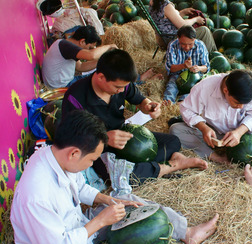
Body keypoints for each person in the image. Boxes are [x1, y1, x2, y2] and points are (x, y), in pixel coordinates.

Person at [10, 110, 251, 244]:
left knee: (127, 200)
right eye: (91, 159)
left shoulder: (53, 154)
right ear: (74, 153)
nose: (89, 165)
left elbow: (80, 187)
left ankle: (186, 232)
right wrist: (99, 222)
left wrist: (107, 199)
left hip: (78, 227)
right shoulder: (36, 196)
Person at [62, 48, 208, 185]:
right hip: (99, 147)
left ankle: (145, 168)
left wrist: (148, 106)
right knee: (120, 176)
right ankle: (171, 166)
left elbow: (139, 100)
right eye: (117, 87)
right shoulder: (75, 97)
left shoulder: (123, 84)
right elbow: (73, 137)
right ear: (100, 77)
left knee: (172, 142)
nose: (121, 91)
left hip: (125, 136)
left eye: (123, 87)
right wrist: (104, 137)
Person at [169, 69, 252, 165]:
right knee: (176, 130)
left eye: (245, 104)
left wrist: (239, 132)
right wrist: (203, 128)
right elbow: (186, 109)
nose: (241, 107)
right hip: (218, 136)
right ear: (226, 90)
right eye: (237, 103)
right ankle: (219, 158)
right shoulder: (205, 87)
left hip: (247, 133)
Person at [42, 25, 117, 89]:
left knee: (99, 75)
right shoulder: (65, 46)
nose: (89, 50)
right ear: (82, 42)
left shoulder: (66, 44)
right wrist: (109, 46)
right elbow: (91, 55)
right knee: (102, 80)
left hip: (59, 83)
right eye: (90, 47)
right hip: (60, 86)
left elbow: (80, 66)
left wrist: (103, 61)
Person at [163, 25, 209, 105]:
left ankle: (182, 102)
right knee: (171, 87)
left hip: (194, 77)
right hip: (177, 75)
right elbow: (170, 68)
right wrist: (184, 66)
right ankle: (168, 103)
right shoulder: (172, 45)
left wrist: (198, 68)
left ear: (194, 39)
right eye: (183, 44)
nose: (187, 47)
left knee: (196, 89)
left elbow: (206, 67)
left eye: (190, 44)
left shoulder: (200, 45)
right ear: (178, 38)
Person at [149, 0, 217, 52]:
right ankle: (210, 56)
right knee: (204, 31)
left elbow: (166, 20)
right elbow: (183, 25)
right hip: (173, 38)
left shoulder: (153, 2)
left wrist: (183, 12)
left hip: (163, 38)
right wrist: (195, 19)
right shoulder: (166, 5)